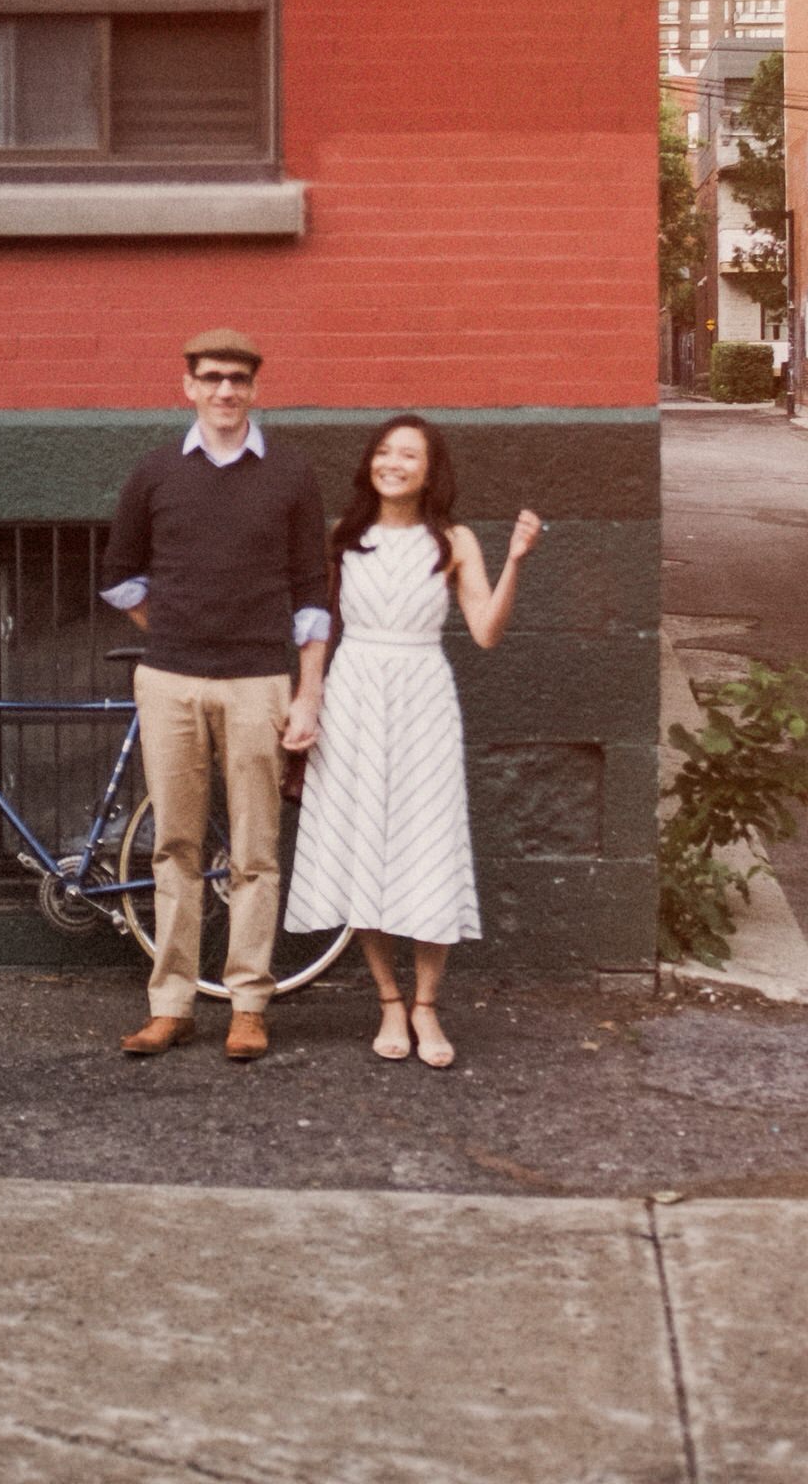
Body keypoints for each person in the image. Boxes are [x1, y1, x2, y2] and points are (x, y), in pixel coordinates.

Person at [282, 414, 541, 1068]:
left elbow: (484, 630)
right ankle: (389, 1000)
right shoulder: (342, 538)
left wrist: (513, 563)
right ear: (370, 463)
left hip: (424, 697)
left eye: (409, 455)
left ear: (430, 471)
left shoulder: (454, 541)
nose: (394, 463)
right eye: (384, 452)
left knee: (429, 843)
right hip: (354, 695)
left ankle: (427, 1005)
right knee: (364, 840)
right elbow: (317, 628)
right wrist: (307, 696)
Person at [100, 329, 330, 1062]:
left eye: (238, 379)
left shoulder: (290, 475)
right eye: (211, 378)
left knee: (256, 850)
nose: (225, 391)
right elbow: (119, 573)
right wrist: (167, 622)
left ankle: (249, 1003)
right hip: (169, 680)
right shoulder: (156, 472)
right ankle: (171, 1004)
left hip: (260, 681)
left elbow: (312, 593)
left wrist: (309, 692)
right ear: (188, 387)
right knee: (175, 845)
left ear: (255, 389)